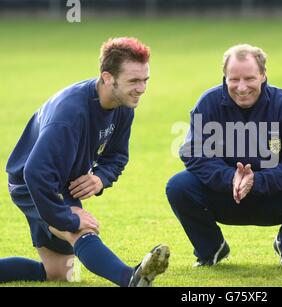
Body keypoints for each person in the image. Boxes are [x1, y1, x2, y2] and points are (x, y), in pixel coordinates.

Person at [0, 37, 169, 287]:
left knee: (59, 272)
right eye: (133, 81)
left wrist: (100, 178)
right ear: (108, 77)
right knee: (80, 231)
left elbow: (117, 156)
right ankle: (130, 279)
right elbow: (35, 173)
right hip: (32, 184)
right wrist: (69, 218)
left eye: (145, 80)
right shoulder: (70, 115)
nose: (141, 88)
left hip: (59, 180)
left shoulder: (123, 107)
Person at [166, 44, 282, 267]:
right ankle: (211, 249)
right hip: (225, 194)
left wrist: (256, 181)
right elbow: (194, 155)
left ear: (263, 76)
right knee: (179, 186)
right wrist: (230, 178)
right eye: (233, 79)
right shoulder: (208, 104)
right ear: (224, 77)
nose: (241, 87)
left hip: (273, 196)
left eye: (249, 78)